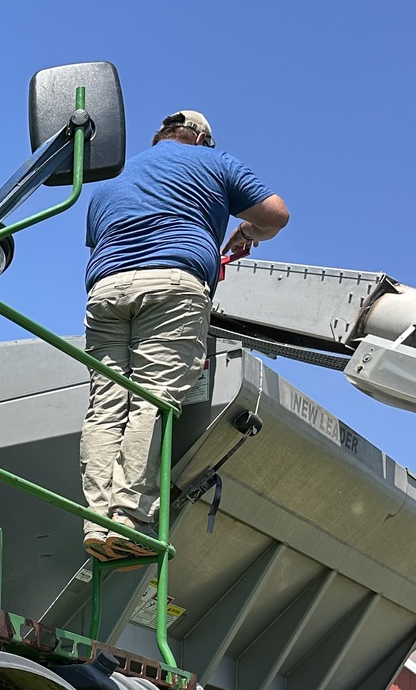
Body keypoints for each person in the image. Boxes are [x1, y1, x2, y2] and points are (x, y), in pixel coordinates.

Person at [79, 109, 288, 560]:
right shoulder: (216, 163)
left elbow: (104, 241)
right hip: (172, 283)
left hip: (105, 289)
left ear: (161, 137)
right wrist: (247, 232)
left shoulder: (110, 184)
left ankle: (96, 520)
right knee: (151, 400)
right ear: (201, 139)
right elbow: (276, 214)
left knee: (105, 406)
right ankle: (127, 519)